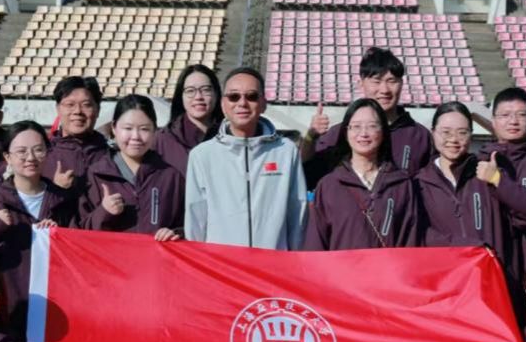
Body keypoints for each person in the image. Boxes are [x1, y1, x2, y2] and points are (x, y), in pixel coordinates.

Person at [417, 102, 526, 301]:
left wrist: (498, 180)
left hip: (495, 285)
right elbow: (420, 235)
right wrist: (471, 247)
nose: (453, 139)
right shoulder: (418, 183)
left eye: (462, 132)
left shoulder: (488, 173)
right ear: (433, 133)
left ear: (471, 135)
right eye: (446, 132)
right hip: (447, 290)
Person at [185, 68, 306, 250]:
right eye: (234, 97)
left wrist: (292, 257)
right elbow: (196, 218)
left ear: (263, 103)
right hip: (222, 263)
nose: (242, 103)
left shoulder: (286, 151)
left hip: (273, 262)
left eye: (251, 96)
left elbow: (297, 210)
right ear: (223, 104)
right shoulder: (202, 156)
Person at [0, 120, 56, 331]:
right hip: (6, 314)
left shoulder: (64, 201)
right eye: (21, 151)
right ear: (7, 157)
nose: (30, 158)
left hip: (54, 313)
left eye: (38, 150)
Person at [302, 47, 433, 184]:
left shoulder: (420, 137)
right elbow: (306, 174)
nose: (384, 90)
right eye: (376, 81)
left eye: (392, 81)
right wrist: (310, 137)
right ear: (361, 84)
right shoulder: (340, 134)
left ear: (401, 83)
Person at [303, 99, 419, 251]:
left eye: (372, 126)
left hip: (389, 266)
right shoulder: (329, 185)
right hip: (341, 267)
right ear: (346, 132)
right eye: (356, 126)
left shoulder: (401, 184)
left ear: (383, 132)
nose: (363, 133)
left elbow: (411, 239)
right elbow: (316, 242)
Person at [81, 96, 185, 241]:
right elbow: (79, 232)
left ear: (155, 130)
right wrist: (104, 212)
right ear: (114, 128)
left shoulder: (171, 177)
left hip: (154, 255)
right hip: (110, 255)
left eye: (144, 129)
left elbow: (186, 225)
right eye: (128, 128)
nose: (135, 136)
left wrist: (175, 233)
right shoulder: (96, 174)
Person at [481, 88, 526, 279]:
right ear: (493, 121)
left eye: (521, 115)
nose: (513, 121)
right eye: (505, 115)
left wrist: (499, 181)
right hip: (492, 258)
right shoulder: (479, 163)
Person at [42, 76, 109, 227]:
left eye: (86, 105)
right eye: (70, 105)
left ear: (98, 110)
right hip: (56, 239)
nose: (78, 111)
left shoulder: (113, 157)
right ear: (58, 109)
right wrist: (55, 190)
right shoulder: (42, 155)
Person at [154, 64, 221, 176]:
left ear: (216, 94)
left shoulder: (230, 136)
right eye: (190, 91)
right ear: (181, 96)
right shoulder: (161, 141)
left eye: (206, 90)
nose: (198, 97)